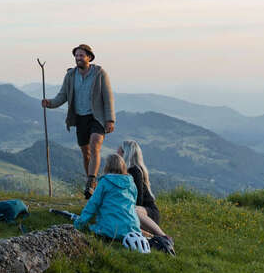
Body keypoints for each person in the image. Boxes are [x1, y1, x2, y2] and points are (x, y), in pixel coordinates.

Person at [41, 43, 115, 199]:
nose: (78, 58)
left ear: (89, 57)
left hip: (97, 117)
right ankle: (90, 182)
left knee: (95, 145)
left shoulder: (100, 74)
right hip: (80, 118)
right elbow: (63, 96)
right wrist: (50, 103)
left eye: (81, 55)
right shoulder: (70, 76)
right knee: (86, 153)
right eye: (76, 55)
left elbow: (108, 98)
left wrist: (110, 120)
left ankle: (91, 182)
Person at [73, 153, 141, 240]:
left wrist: (79, 223)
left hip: (110, 230)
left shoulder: (105, 182)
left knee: (90, 228)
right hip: (132, 229)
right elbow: (133, 204)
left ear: (107, 167)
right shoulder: (131, 183)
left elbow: (93, 204)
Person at [119, 139, 171, 238]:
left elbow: (138, 199)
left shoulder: (134, 171)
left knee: (132, 210)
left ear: (125, 153)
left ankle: (164, 237)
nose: (117, 152)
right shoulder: (127, 170)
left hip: (147, 211)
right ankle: (150, 237)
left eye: (120, 150)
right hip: (140, 211)